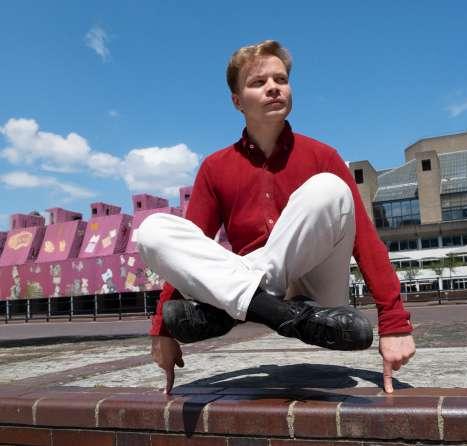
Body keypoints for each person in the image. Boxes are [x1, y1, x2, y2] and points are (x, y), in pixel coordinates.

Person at [137, 40, 415, 395]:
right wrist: (162, 330)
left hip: (314, 291)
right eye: (258, 82)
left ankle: (241, 307)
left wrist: (394, 323)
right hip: (269, 299)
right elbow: (191, 252)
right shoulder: (214, 167)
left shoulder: (323, 156)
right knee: (153, 231)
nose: (273, 87)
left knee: (329, 188)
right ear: (237, 101)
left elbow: (365, 241)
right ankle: (276, 312)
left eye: (281, 79)